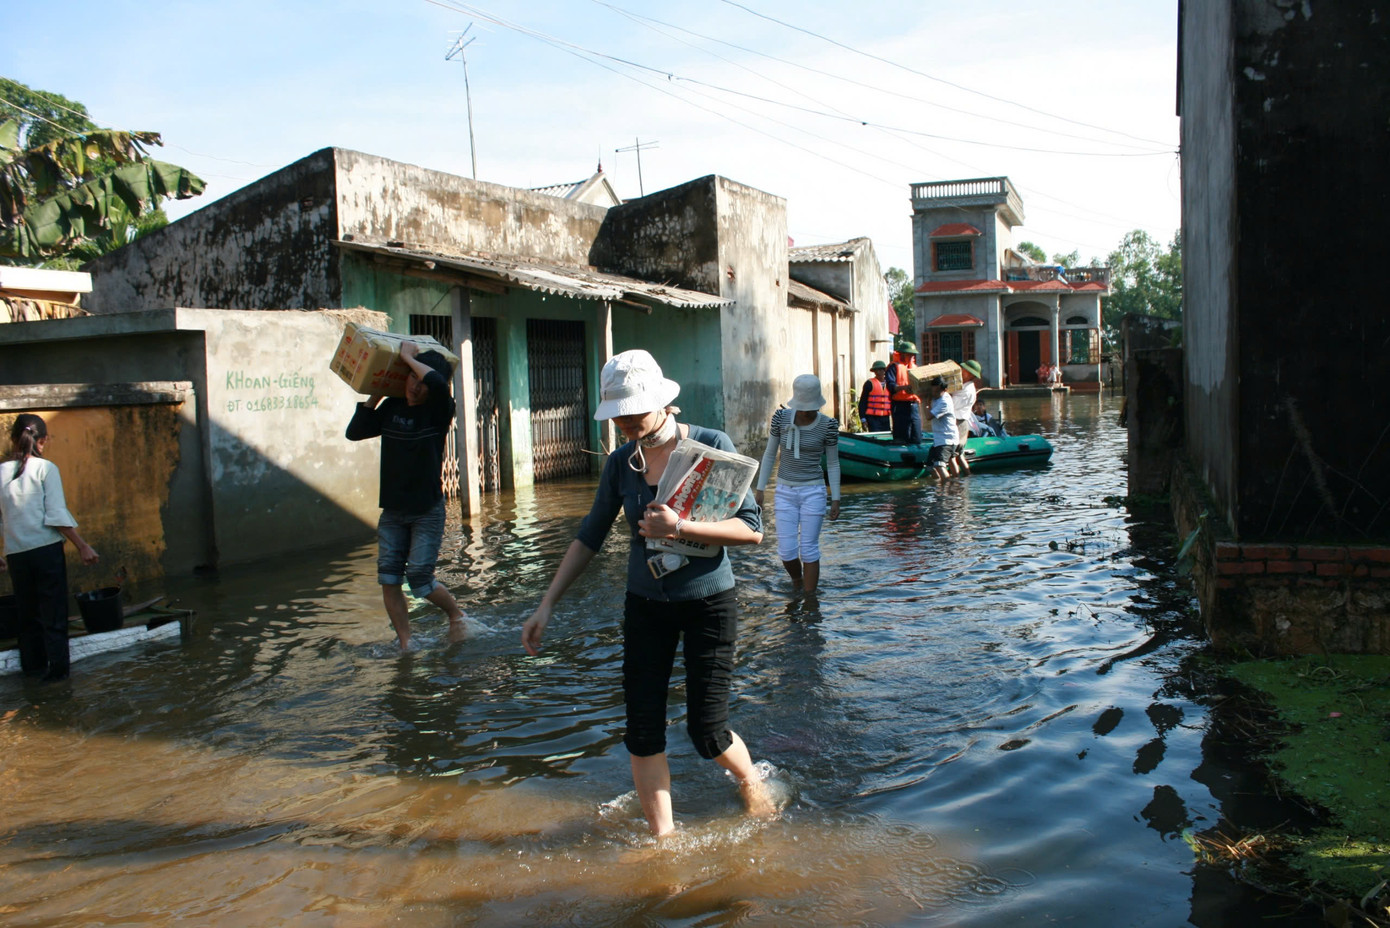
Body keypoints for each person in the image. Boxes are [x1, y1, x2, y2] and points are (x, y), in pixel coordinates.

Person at [521, 349, 773, 837]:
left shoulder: (709, 446)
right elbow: (588, 535)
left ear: (661, 402)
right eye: (618, 415)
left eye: (633, 412)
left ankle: (751, 781)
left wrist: (680, 525)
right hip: (645, 607)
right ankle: (664, 838)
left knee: (707, 730)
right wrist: (546, 604)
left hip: (708, 604)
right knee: (642, 729)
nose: (625, 422)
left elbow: (752, 530)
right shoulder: (621, 464)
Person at [346, 340, 467, 649]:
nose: (415, 386)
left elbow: (438, 382)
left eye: (420, 381)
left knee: (420, 580)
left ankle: (455, 615)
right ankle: (406, 643)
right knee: (388, 579)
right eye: (410, 378)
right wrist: (379, 389)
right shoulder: (392, 408)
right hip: (393, 512)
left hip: (427, 510)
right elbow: (354, 431)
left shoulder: (438, 412)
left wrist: (405, 357)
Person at [0, 414, 99, 683]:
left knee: (27, 613)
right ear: (42, 440)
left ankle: (31, 670)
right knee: (53, 614)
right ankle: (57, 675)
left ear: (13, 438)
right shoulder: (45, 468)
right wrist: (82, 546)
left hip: (17, 554)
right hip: (45, 551)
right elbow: (56, 515)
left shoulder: (0, 472)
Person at [755, 374, 841, 595]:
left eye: (810, 407)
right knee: (786, 551)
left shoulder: (828, 425)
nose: (805, 412)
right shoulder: (781, 418)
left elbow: (832, 463)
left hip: (814, 491)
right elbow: (769, 454)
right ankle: (797, 582)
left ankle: (811, 601)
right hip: (784, 490)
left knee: (809, 549)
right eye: (802, 407)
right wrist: (761, 489)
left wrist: (836, 499)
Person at [885, 342, 922, 445]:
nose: (911, 357)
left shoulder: (915, 368)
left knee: (917, 437)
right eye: (909, 354)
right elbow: (891, 386)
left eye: (912, 355)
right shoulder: (893, 367)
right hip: (900, 407)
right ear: (902, 354)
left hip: (914, 406)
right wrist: (905, 388)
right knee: (902, 437)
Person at [925, 376, 959, 480]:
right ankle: (950, 484)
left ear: (942, 389)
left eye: (936, 391)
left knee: (939, 465)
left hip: (946, 439)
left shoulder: (944, 402)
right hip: (942, 439)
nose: (933, 393)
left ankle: (948, 486)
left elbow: (928, 417)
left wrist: (926, 404)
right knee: (930, 466)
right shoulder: (942, 397)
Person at [951, 359, 982, 473]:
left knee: (952, 456)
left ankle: (955, 482)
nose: (961, 371)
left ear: (969, 373)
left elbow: (952, 406)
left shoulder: (967, 391)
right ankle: (967, 478)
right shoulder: (963, 386)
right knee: (959, 455)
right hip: (961, 422)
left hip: (958, 423)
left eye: (963, 370)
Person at [856, 360, 892, 432]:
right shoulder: (869, 383)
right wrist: (863, 419)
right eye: (876, 370)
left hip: (886, 418)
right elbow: (863, 402)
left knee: (886, 437)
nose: (878, 372)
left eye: (880, 370)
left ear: (884, 371)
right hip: (873, 418)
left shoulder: (890, 384)